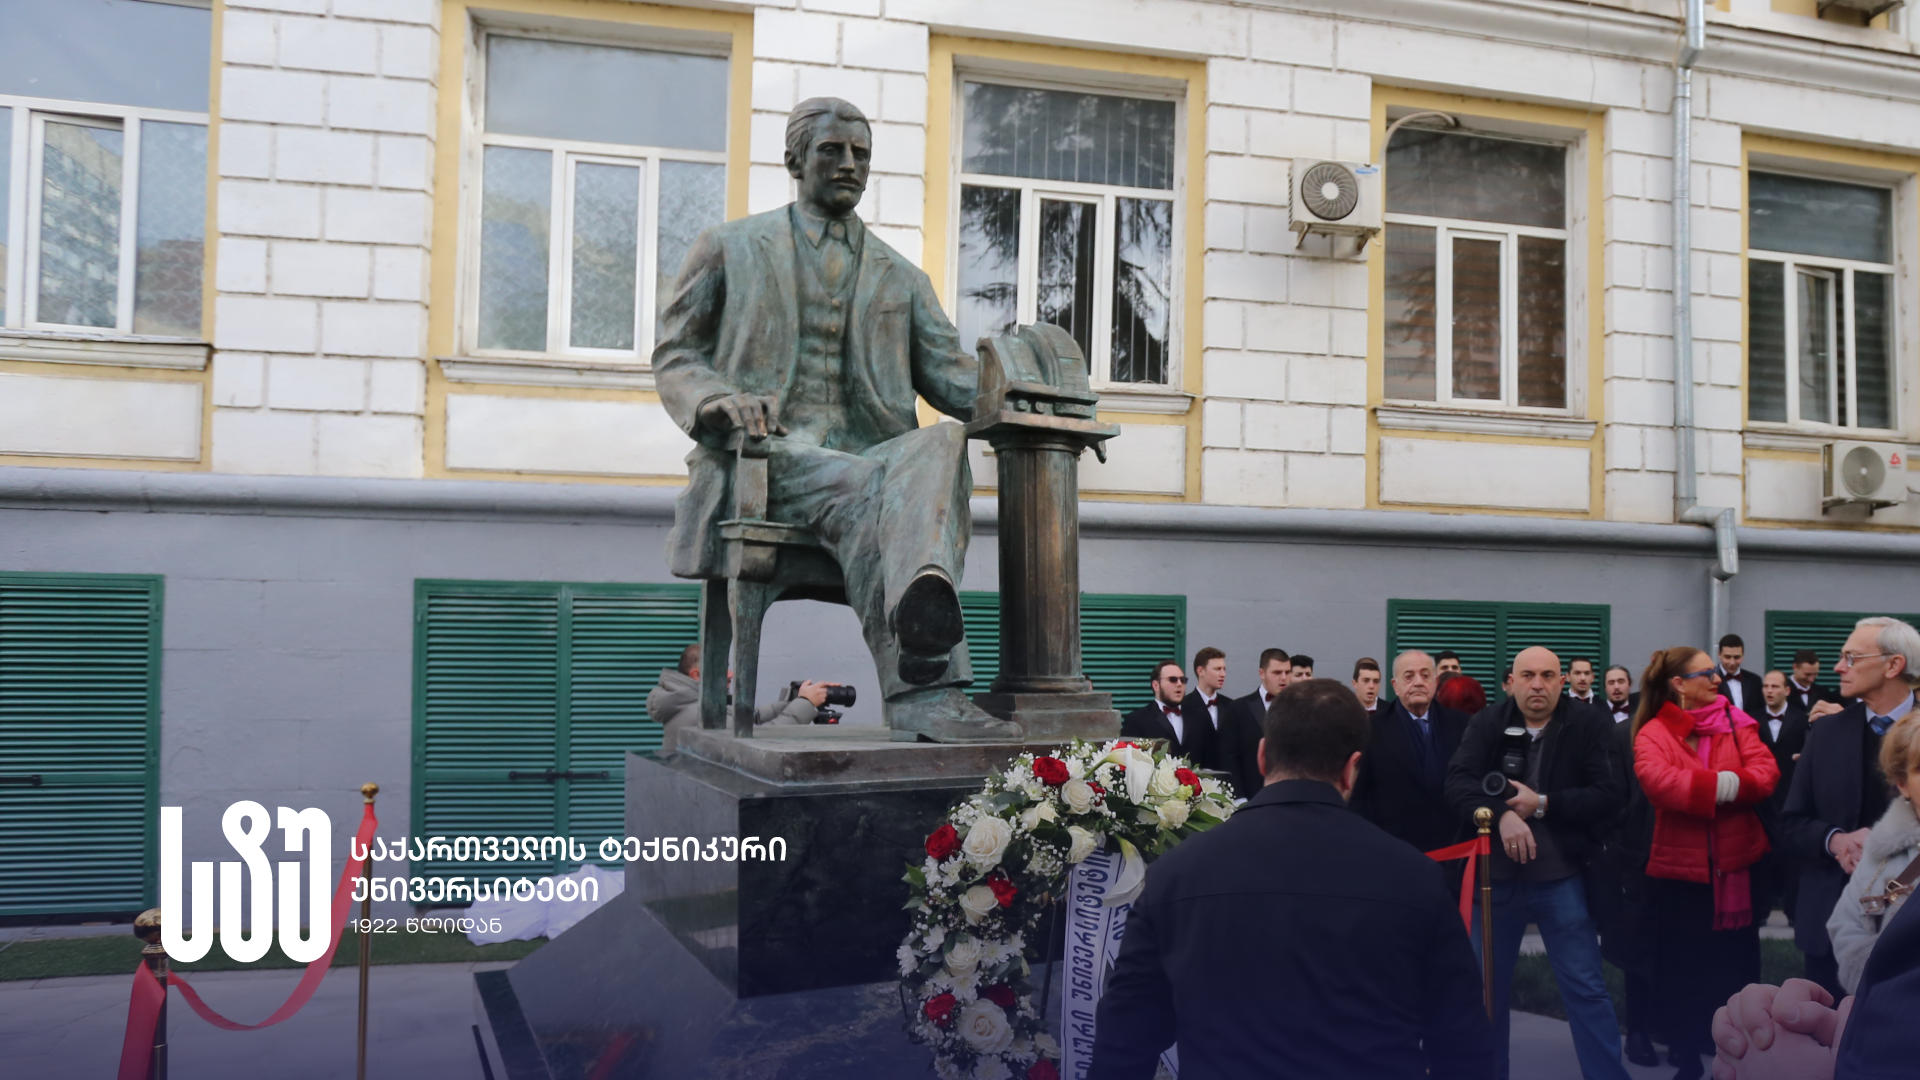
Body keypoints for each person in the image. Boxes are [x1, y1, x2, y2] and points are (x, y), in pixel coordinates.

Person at [655, 97, 1012, 742]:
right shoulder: (729, 248)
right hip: (767, 461)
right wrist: (715, 401)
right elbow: (677, 355)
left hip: (867, 462)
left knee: (942, 440)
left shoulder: (902, 277)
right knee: (884, 493)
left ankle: (923, 598)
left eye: (861, 154)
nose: (850, 164)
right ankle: (925, 684)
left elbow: (957, 381)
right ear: (795, 160)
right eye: (832, 150)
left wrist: (1032, 386)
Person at [1090, 680, 1493, 1079]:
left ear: (1262, 756)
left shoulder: (1176, 873)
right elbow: (1461, 1041)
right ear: (1352, 768)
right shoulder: (1415, 877)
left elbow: (1126, 1035)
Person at [1445, 646, 1628, 1080]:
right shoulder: (1487, 722)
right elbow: (1457, 783)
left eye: (1547, 676)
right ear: (1511, 681)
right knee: (1486, 994)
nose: (1538, 685)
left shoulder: (1588, 724)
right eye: (1528, 675)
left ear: (1562, 681)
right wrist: (1501, 815)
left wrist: (1543, 803)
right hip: (1495, 880)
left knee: (1586, 988)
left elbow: (1609, 794)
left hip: (1561, 877)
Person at [1633, 646, 1780, 1080]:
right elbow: (1659, 784)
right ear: (1679, 684)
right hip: (1682, 875)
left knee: (1735, 966)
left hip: (1737, 866)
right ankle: (1686, 1052)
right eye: (1707, 673)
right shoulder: (1654, 732)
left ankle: (1735, 1051)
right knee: (1682, 966)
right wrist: (1729, 786)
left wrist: (1711, 788)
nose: (1718, 679)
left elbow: (1766, 774)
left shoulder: (1738, 721)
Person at [1780, 616, 1920, 1000]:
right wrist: (1835, 841)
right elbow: (1791, 822)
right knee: (1830, 1033)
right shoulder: (1826, 732)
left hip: (1911, 928)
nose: (1838, 667)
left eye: (1852, 658)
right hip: (1831, 926)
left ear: (1893, 665)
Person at [1828, 717, 1920, 994]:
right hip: (1888, 1009)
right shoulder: (1883, 853)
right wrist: (1882, 980)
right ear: (1902, 783)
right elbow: (1844, 926)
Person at [1352, 650, 1470, 855]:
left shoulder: (1462, 725)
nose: (1418, 682)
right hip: (1393, 849)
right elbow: (1360, 796)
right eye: (1409, 676)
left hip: (1453, 848)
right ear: (1395, 686)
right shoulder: (1371, 729)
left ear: (1435, 682)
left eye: (1425, 676)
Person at [645, 644, 836, 745]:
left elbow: (752, 718)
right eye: (722, 667)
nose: (730, 674)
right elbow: (762, 738)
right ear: (696, 675)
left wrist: (795, 700)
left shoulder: (694, 704)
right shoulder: (701, 714)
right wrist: (806, 703)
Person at [1755, 669, 1810, 925]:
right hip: (1762, 801)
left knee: (1792, 857)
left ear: (1787, 690)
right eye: (1766, 686)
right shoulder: (1753, 720)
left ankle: (1793, 912)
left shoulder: (1801, 720)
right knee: (1761, 858)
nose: (1769, 691)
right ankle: (1761, 911)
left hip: (1791, 798)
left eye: (1775, 686)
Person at [1220, 648, 1289, 798]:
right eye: (1277, 673)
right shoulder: (1238, 709)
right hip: (1250, 797)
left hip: (1289, 796)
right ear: (1262, 673)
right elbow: (1229, 757)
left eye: (1287, 672)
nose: (1284, 678)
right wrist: (1238, 798)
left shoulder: (1299, 709)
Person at [1120, 660, 1198, 758]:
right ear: (1156, 685)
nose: (1179, 684)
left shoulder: (1198, 717)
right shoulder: (1136, 720)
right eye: (1173, 679)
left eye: (1183, 680)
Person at [1181, 646, 1228, 770]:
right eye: (1217, 669)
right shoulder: (1183, 706)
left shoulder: (1231, 706)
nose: (1223, 674)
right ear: (1200, 671)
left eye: (1224, 669)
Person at [1717, 634, 1766, 721]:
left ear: (1743, 655)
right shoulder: (1710, 680)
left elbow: (1761, 712)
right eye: (1727, 657)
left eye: (1737, 657)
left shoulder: (1755, 681)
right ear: (1719, 655)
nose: (1732, 662)